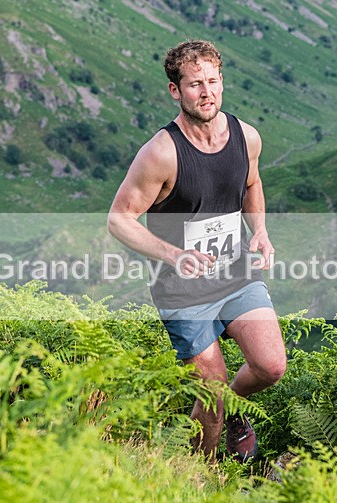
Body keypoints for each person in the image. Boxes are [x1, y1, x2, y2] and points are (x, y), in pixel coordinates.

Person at [108, 40, 286, 462]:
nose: (206, 93)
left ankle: (237, 413)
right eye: (194, 85)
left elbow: (251, 184)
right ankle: (203, 479)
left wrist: (259, 231)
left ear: (222, 82)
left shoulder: (246, 137)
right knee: (212, 399)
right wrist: (174, 255)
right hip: (183, 291)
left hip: (237, 274)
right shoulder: (161, 153)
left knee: (270, 366)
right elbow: (119, 219)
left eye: (212, 82)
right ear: (176, 91)